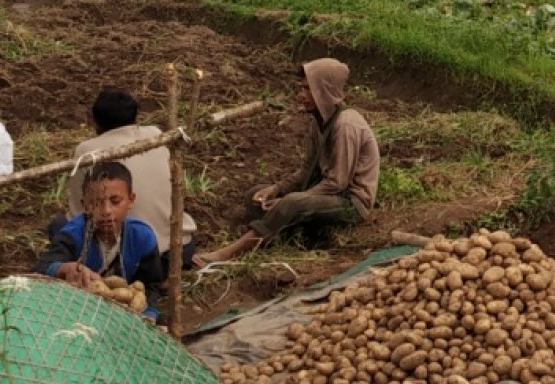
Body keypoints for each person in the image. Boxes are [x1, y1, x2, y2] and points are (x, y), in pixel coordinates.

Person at [195, 59, 379, 266]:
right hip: (327, 193)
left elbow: (338, 183)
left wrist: (290, 199)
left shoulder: (346, 125)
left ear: (324, 91)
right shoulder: (317, 123)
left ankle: (229, 253)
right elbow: (306, 171)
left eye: (308, 89)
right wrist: (275, 189)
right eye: (302, 88)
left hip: (350, 203)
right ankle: (276, 237)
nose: (301, 95)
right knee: (254, 195)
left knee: (291, 203)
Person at [65, 89, 194, 252]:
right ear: (135, 117)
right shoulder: (156, 135)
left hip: (132, 255)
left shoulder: (87, 151)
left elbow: (80, 211)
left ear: (96, 122)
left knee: (59, 225)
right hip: (180, 246)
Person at [41, 161, 168, 321]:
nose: (106, 211)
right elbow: (41, 268)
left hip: (124, 312)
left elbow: (151, 285)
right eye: (95, 203)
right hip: (80, 310)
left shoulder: (142, 237)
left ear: (131, 200)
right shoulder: (73, 236)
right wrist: (64, 268)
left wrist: (149, 314)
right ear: (85, 206)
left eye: (115, 202)